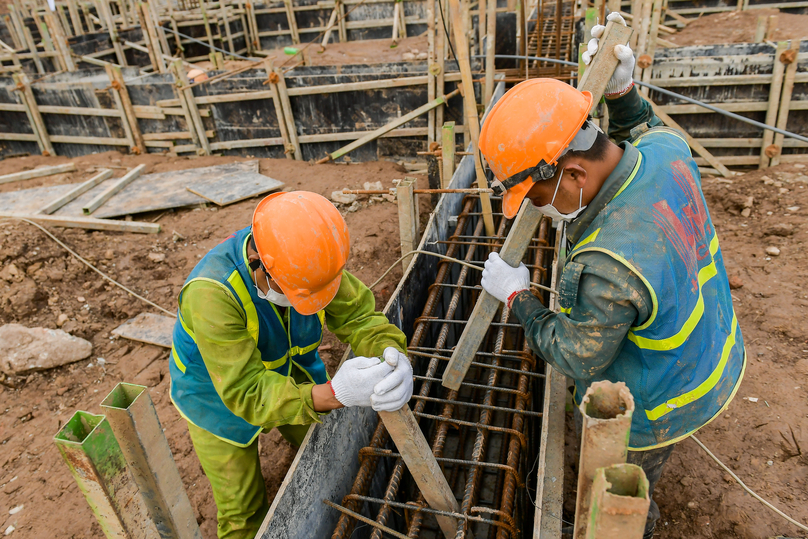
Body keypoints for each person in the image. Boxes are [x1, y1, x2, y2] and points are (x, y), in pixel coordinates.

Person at [477, 14, 746, 539]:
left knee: (616, 492)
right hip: (713, 343)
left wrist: (517, 298)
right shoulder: (667, 150)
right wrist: (623, 96)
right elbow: (639, 134)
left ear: (573, 174)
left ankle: (631, 527)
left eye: (536, 197)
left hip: (664, 394)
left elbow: (578, 352)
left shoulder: (607, 263)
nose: (537, 209)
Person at [169, 191, 413, 539]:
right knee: (243, 511)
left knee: (327, 449)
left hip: (289, 369)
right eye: (298, 293)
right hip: (215, 396)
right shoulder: (212, 294)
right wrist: (333, 393)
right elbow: (247, 392)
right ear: (258, 264)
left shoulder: (306, 259)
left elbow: (359, 318)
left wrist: (393, 354)